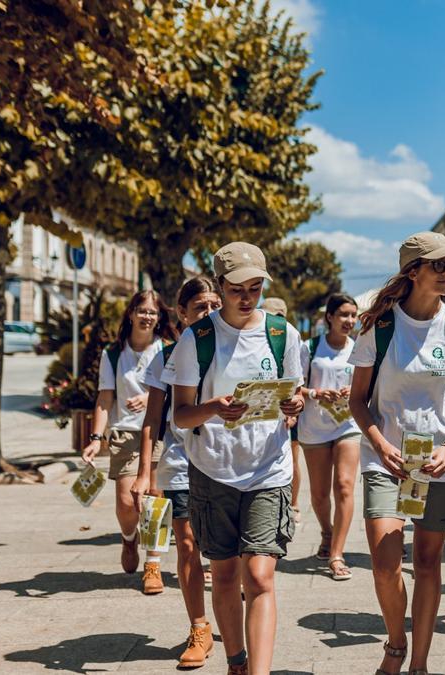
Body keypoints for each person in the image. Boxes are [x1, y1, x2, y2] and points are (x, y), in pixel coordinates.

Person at [163, 242, 306, 675]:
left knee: (260, 576)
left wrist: (295, 405)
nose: (247, 298)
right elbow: (181, 416)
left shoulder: (283, 334)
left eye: (255, 288)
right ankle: (236, 661)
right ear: (221, 287)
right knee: (224, 575)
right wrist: (213, 408)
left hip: (269, 468)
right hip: (214, 470)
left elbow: (295, 393)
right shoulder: (198, 339)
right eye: (237, 289)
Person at [347, 232, 445, 675]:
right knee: (385, 564)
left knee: (427, 562)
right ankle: (395, 641)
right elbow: (357, 400)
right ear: (413, 272)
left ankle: (419, 664)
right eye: (438, 266)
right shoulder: (379, 327)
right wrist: (380, 443)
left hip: (437, 461)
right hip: (386, 459)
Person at [132, 276, 222, 669]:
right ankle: (199, 627)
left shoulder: (236, 347)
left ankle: (230, 622)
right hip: (179, 462)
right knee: (187, 545)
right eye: (200, 306)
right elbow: (153, 418)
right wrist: (144, 472)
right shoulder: (166, 354)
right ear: (181, 313)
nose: (209, 313)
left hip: (228, 463)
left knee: (223, 554)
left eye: (213, 305)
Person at [81, 290, 175, 592]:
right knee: (126, 502)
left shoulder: (169, 350)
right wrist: (96, 438)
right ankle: (129, 537)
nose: (147, 316)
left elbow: (176, 388)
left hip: (160, 430)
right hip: (124, 433)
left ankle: (153, 565)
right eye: (142, 310)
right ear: (131, 314)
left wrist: (151, 397)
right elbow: (105, 397)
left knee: (154, 499)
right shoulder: (113, 354)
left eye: (153, 312)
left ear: (159, 317)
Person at [297, 293, 361, 581]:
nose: (349, 320)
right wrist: (315, 393)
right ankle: (326, 530)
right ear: (330, 318)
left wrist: (353, 392)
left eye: (353, 315)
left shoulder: (358, 350)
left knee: (345, 486)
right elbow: (294, 387)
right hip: (315, 425)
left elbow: (367, 388)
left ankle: (337, 553)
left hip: (348, 424)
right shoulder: (309, 348)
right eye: (344, 314)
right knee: (320, 493)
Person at [262, 297, 305, 525]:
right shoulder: (257, 337)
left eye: (277, 317)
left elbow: (297, 380)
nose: (272, 321)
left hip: (288, 411)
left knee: (292, 458)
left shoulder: (289, 337)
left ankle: (294, 503)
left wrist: (293, 411)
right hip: (263, 416)